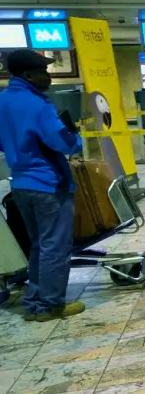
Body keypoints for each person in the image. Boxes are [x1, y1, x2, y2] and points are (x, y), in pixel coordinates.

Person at [0, 49, 85, 321]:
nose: (47, 75)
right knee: (56, 246)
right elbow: (62, 142)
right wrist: (76, 138)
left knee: (38, 245)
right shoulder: (38, 105)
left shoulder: (3, 100)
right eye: (42, 71)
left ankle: (34, 303)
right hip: (48, 183)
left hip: (21, 184)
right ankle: (50, 305)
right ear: (28, 74)